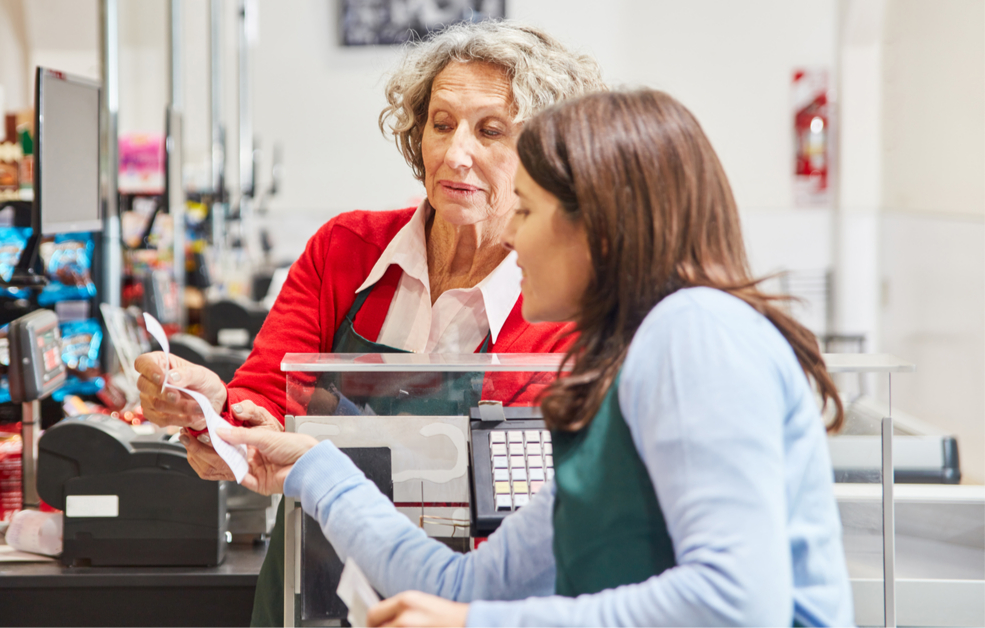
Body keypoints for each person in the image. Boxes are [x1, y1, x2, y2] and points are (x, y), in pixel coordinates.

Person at [219, 89, 856, 627]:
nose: (511, 234)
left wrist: (478, 626)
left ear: (598, 228)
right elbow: (462, 584)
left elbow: (736, 603)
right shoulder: (625, 370)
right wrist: (313, 468)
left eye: (526, 209)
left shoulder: (695, 330)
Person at [134, 20, 607, 626]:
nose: (454, 152)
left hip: (461, 601)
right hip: (311, 582)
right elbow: (262, 402)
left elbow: (539, 513)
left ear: (544, 156)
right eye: (440, 124)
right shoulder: (345, 250)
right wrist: (210, 410)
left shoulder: (563, 305)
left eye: (490, 131)